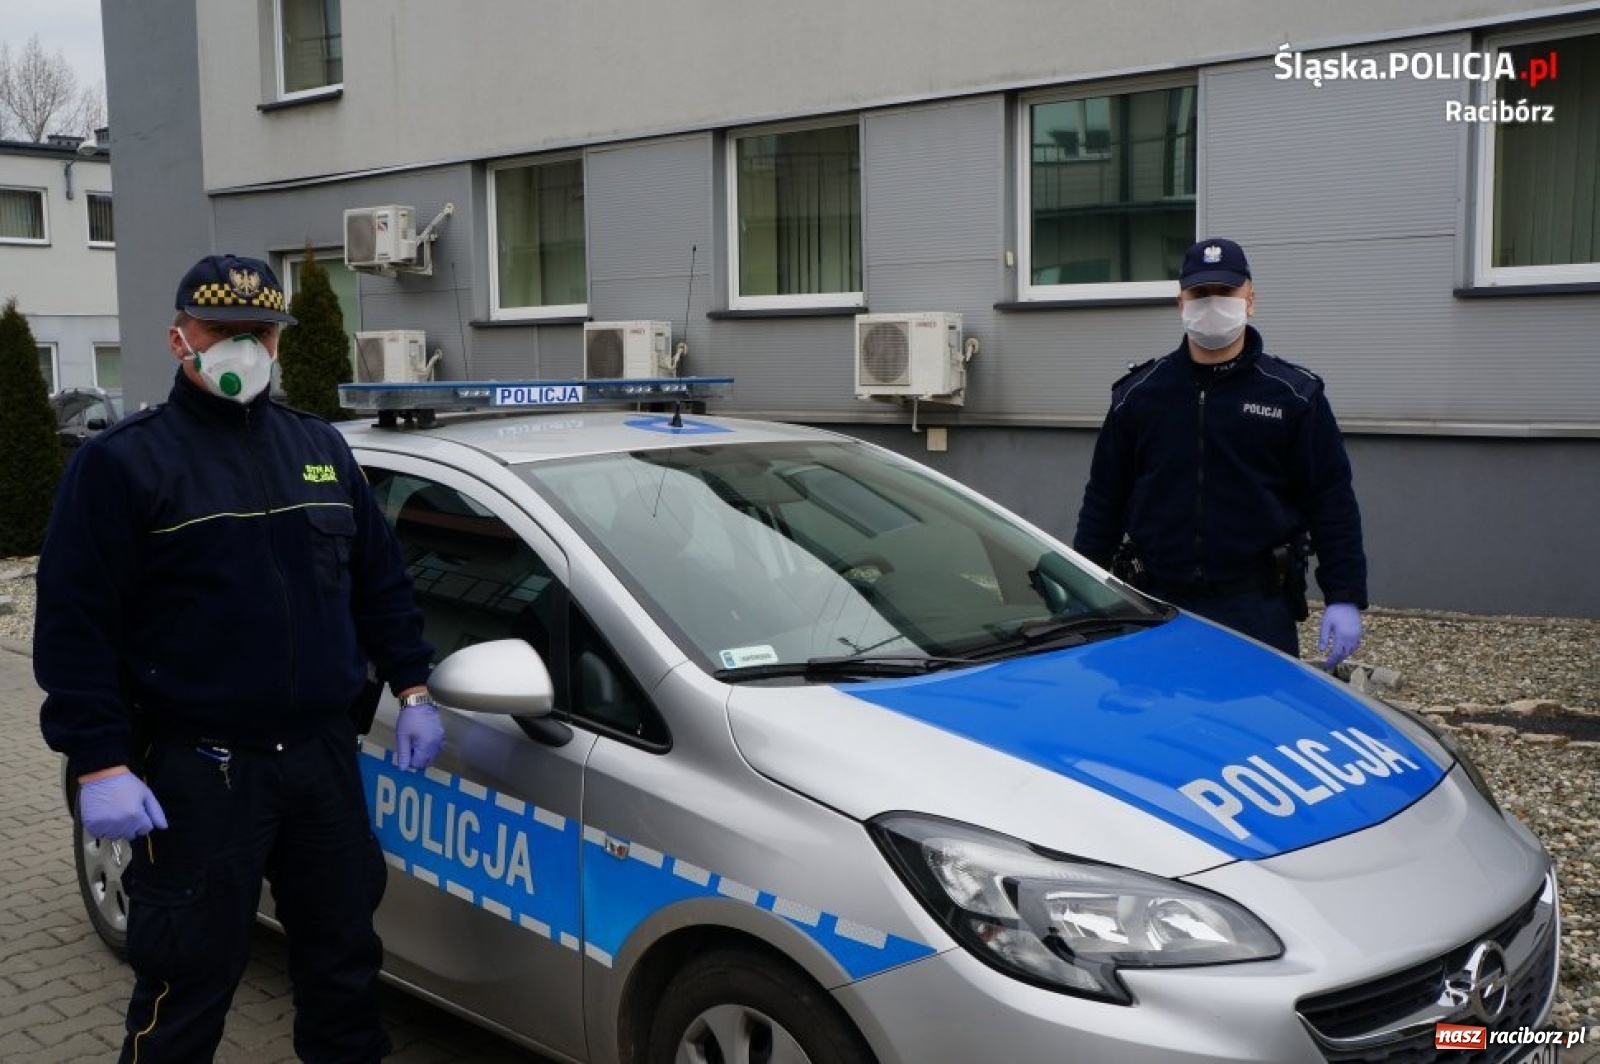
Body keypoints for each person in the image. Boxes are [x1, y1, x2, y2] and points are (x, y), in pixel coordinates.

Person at [35, 253, 446, 1063]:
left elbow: (379, 583)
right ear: (180, 338)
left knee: (345, 970)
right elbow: (76, 629)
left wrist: (416, 684)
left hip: (320, 761)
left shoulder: (319, 446)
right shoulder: (121, 464)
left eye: (260, 331)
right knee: (187, 980)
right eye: (225, 331)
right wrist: (97, 762)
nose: (245, 349)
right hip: (200, 769)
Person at [1073, 237, 1367, 667]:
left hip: (1256, 604)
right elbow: (1105, 498)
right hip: (1157, 601)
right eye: (1200, 294)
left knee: (1255, 724)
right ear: (1181, 303)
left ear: (1250, 300)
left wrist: (1345, 595)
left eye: (1226, 292)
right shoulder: (1139, 395)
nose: (1213, 304)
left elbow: (1331, 500)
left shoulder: (1293, 396)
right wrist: (1082, 582)